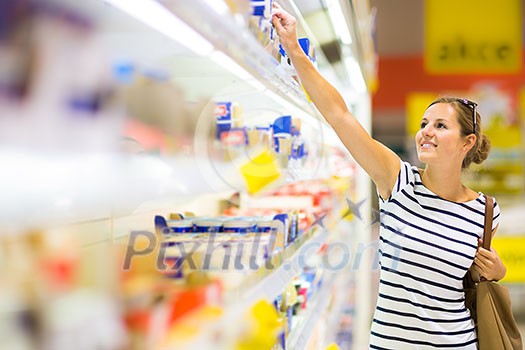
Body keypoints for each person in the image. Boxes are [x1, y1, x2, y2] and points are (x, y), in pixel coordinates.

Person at [272, 3, 507, 349]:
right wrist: (294, 49)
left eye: (440, 126)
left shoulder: (486, 210)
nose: (426, 132)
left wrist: (498, 273)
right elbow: (341, 116)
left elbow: (467, 277)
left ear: (466, 142)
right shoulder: (398, 181)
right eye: (424, 124)